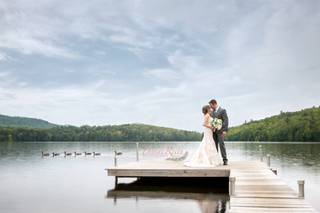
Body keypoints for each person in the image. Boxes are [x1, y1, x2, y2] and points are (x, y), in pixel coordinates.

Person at [209, 99, 229, 165]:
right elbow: (211, 121)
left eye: (211, 105)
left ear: (214, 104)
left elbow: (226, 121)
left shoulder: (222, 111)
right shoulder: (211, 112)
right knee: (214, 146)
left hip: (221, 131)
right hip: (213, 132)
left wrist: (225, 130)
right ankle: (216, 160)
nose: (210, 107)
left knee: (221, 145)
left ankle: (225, 159)